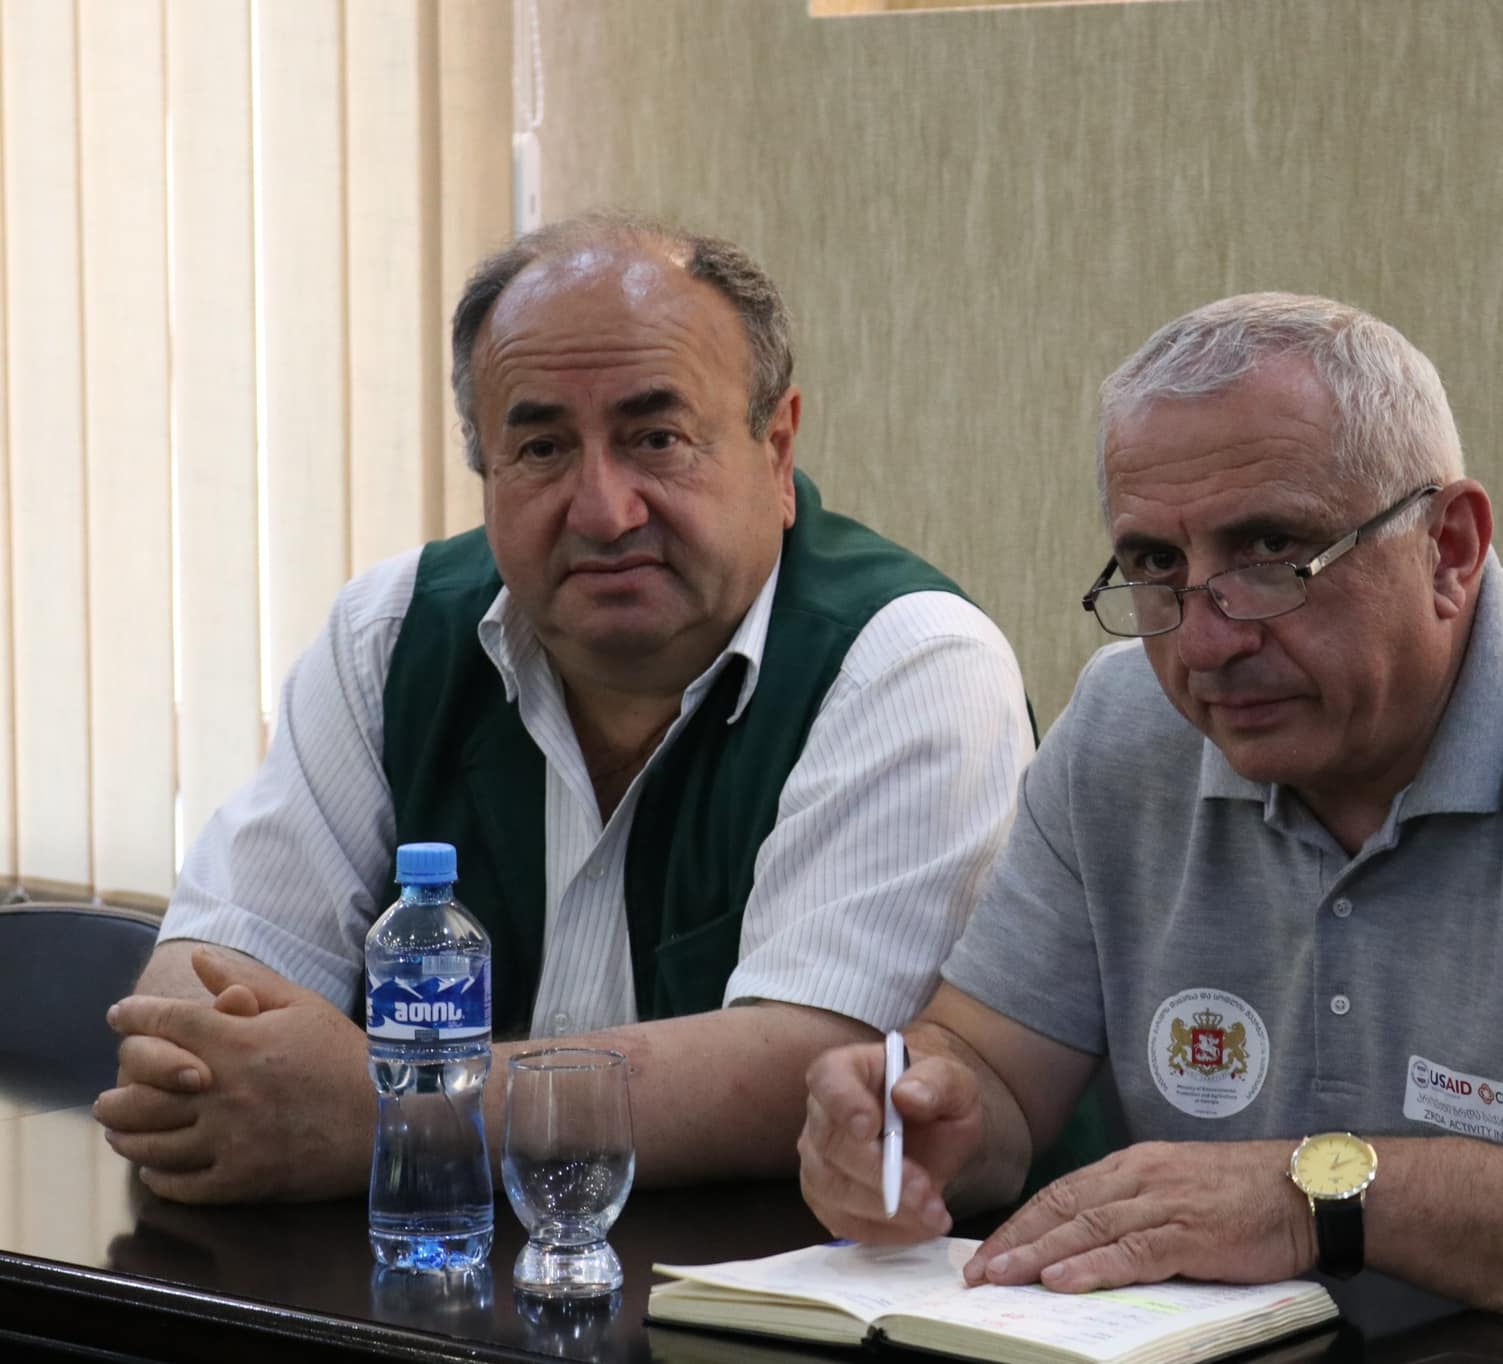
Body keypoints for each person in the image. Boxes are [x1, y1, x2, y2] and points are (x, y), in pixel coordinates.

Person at [797, 292, 1503, 1333]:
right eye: (1156, 564)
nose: (1205, 640)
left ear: (1450, 549)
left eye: (1270, 552)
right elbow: (989, 1068)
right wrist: (918, 1116)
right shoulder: (1126, 729)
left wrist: (1315, 1198)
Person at [94, 213, 1034, 1205]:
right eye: (542, 447)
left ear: (776, 446)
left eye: (657, 439)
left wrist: (398, 1111)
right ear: (486, 471)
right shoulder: (391, 633)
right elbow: (203, 983)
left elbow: (818, 1070)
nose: (603, 510)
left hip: (767, 1284)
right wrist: (202, 1070)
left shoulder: (908, 661)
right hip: (440, 1269)